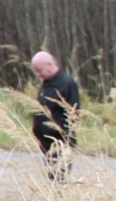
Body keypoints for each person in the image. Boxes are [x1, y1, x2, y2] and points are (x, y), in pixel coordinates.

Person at [30, 50, 80, 179]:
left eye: (39, 70)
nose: (38, 74)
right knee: (51, 177)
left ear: (49, 64)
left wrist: (58, 134)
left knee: (58, 178)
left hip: (59, 143)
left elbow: (72, 114)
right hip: (46, 143)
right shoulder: (46, 84)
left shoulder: (66, 84)